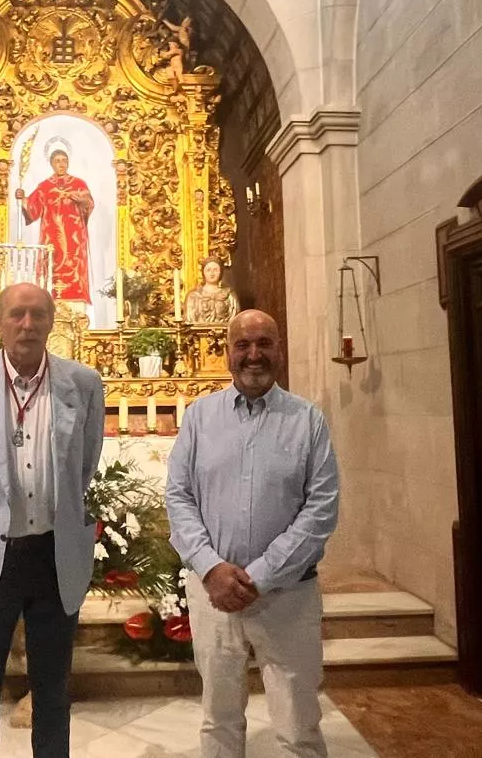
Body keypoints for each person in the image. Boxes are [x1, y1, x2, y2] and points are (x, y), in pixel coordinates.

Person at [0, 283, 106, 758]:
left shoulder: (83, 383)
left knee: (52, 697)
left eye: (36, 315)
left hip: (54, 557)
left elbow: (83, 465)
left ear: (52, 321)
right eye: (16, 314)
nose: (27, 325)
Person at [165, 309, 341, 758]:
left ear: (279, 350)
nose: (253, 354)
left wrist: (258, 576)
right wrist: (210, 568)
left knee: (298, 725)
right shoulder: (199, 418)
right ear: (227, 353)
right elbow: (179, 496)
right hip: (212, 593)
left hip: (288, 596)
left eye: (264, 343)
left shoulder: (308, 421)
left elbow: (320, 510)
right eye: (242, 345)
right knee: (219, 719)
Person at [16, 141, 94, 303]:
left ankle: (77, 298)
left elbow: (89, 204)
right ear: (51, 163)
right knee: (51, 266)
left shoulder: (79, 184)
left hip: (74, 238)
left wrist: (82, 201)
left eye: (64, 160)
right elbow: (32, 209)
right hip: (51, 238)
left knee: (74, 266)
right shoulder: (44, 186)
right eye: (57, 161)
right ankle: (47, 299)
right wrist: (22, 198)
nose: (61, 164)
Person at [183, 256, 239, 325]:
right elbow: (189, 321)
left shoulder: (230, 295)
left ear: (221, 272)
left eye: (215, 270)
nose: (212, 273)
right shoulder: (193, 296)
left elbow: (235, 320)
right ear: (203, 272)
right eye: (208, 270)